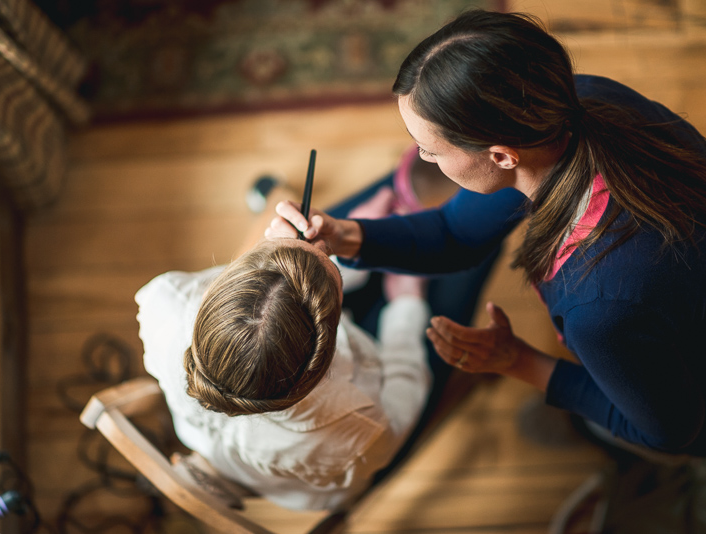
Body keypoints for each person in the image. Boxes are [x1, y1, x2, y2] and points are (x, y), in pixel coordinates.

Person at [267, 10, 706, 460]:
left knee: (611, 429)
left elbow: (672, 432)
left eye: (429, 148)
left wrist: (516, 361)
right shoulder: (578, 107)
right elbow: (454, 233)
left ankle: (594, 439)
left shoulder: (603, 304)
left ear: (500, 156)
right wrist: (345, 235)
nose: (421, 158)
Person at [136, 147, 500, 510]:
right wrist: (406, 303)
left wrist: (344, 242)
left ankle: (418, 179)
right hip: (386, 366)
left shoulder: (164, 302)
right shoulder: (356, 432)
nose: (327, 249)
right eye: (331, 262)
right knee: (471, 245)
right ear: (328, 350)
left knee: (350, 216)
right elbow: (406, 384)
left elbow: (290, 284)